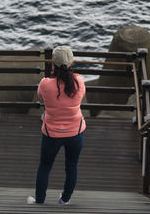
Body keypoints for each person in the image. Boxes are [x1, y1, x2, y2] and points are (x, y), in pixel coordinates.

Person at [27, 46, 86, 205]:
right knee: (72, 166)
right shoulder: (79, 82)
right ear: (72, 62)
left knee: (45, 166)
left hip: (51, 133)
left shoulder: (45, 84)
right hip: (75, 132)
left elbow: (40, 96)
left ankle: (40, 201)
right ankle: (64, 200)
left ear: (53, 63)